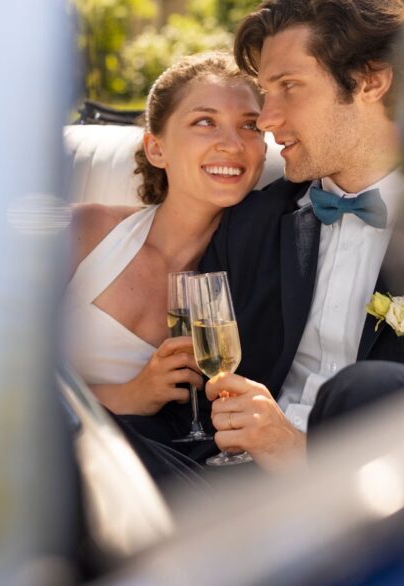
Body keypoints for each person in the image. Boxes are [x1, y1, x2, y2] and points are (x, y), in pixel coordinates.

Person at [199, 0, 404, 472]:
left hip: (385, 508)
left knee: (373, 387)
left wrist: (298, 454)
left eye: (289, 86)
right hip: (228, 488)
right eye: (265, 91)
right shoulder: (250, 222)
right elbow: (197, 378)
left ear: (371, 80)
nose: (267, 117)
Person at [65, 51, 267, 451]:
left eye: (250, 125)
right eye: (205, 122)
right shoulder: (84, 231)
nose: (232, 144)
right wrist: (130, 395)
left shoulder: (256, 269)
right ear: (157, 149)